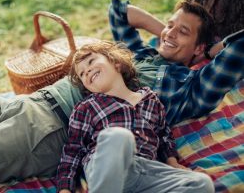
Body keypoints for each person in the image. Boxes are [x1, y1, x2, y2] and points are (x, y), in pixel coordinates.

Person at [0, 0, 243, 192]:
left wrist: (211, 48)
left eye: (184, 32)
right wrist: (168, 32)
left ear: (200, 48)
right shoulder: (141, 52)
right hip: (26, 101)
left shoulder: (188, 88)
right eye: (170, 25)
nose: (169, 33)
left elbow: (237, 51)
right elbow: (119, 11)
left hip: (49, 129)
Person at [56, 40, 215, 193]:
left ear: (116, 62)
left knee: (201, 183)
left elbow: (163, 134)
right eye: (82, 73)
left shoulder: (150, 99)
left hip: (144, 170)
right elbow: (73, 150)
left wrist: (172, 163)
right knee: (119, 136)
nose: (87, 71)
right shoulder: (87, 107)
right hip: (106, 167)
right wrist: (65, 188)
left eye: (90, 62)